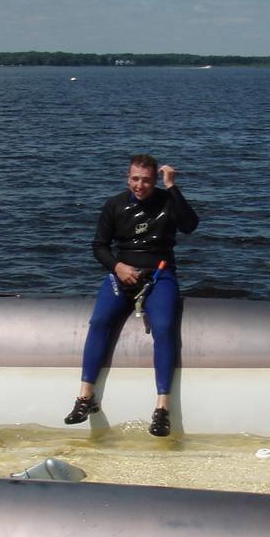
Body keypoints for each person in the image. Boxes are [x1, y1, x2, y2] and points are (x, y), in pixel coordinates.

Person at [65, 153, 199, 436]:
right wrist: (117, 266)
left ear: (155, 180)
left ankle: (162, 408)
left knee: (163, 327)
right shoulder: (114, 205)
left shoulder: (167, 201)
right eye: (135, 179)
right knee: (99, 322)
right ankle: (85, 397)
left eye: (147, 180)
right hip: (122, 273)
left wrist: (172, 187)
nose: (141, 185)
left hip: (160, 274)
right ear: (128, 178)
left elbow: (190, 225)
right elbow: (99, 246)